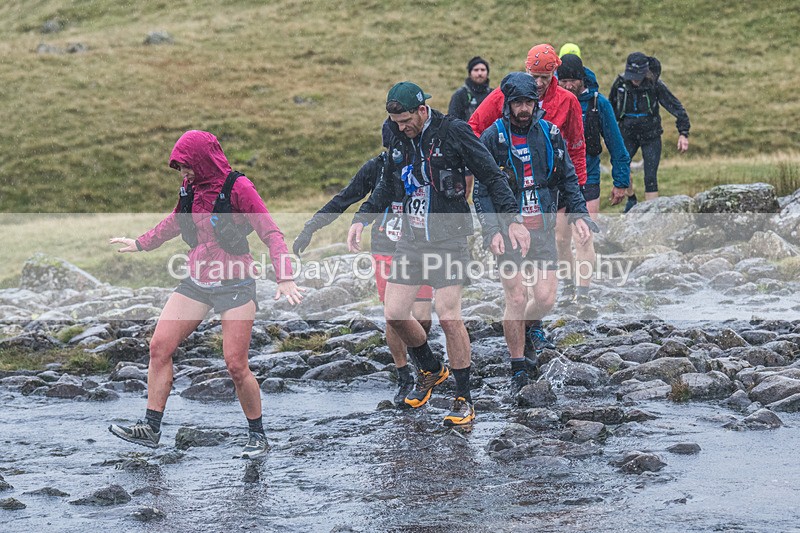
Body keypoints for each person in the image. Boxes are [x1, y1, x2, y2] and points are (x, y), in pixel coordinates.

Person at [108, 130, 303, 459]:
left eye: (187, 167)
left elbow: (270, 231)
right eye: (180, 168)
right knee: (159, 347)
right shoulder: (189, 187)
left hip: (236, 284)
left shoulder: (239, 187)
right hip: (198, 280)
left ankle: (258, 436)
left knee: (235, 365)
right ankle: (151, 428)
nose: (183, 174)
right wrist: (141, 243)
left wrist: (285, 276)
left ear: (202, 160)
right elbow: (175, 221)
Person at [348, 81, 529, 426]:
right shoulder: (398, 136)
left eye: (405, 121)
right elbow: (387, 183)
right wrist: (362, 218)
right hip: (411, 240)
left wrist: (512, 220)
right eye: (396, 124)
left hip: (450, 238)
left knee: (448, 315)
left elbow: (491, 175)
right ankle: (431, 369)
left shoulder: (453, 132)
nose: (401, 129)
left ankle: (463, 398)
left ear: (421, 109)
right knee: (395, 313)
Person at [474, 72, 595, 394]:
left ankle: (527, 328)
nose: (524, 109)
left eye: (529, 102)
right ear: (507, 105)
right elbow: (482, 193)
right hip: (506, 229)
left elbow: (568, 178)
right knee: (516, 296)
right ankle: (517, 365)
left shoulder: (550, 134)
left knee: (544, 298)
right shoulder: (492, 138)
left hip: (541, 227)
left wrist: (579, 215)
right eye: (518, 103)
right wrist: (490, 232)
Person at [292, 153, 434, 407]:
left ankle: (423, 367)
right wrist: (311, 226)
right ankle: (404, 375)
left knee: (422, 317)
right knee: (395, 315)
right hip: (386, 248)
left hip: (422, 246)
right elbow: (345, 198)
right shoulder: (378, 166)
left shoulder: (430, 161)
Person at [469, 43, 587, 342]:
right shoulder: (502, 96)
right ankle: (519, 347)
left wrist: (578, 199)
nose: (537, 83)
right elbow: (473, 128)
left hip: (549, 186)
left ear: (553, 75)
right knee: (517, 295)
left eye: (543, 78)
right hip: (510, 195)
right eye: (533, 75)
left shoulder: (566, 102)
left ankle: (532, 322)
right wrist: (485, 165)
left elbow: (575, 144)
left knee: (556, 256)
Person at [557, 53, 631, 303]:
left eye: (572, 81)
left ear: (581, 80)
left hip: (587, 178)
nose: (567, 86)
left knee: (584, 237)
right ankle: (568, 284)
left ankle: (584, 294)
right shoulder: (550, 102)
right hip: (556, 180)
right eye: (563, 80)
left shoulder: (599, 104)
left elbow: (617, 146)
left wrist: (621, 182)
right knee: (560, 240)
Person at [609, 52, 691, 211]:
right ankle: (631, 198)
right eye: (632, 75)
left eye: (638, 76)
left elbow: (676, 107)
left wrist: (683, 133)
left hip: (651, 135)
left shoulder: (655, 85)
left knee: (650, 177)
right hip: (627, 133)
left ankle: (650, 215)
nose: (635, 80)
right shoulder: (620, 84)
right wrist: (607, 135)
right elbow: (609, 110)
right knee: (621, 168)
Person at [449, 56, 493, 201]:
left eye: (483, 70)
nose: (480, 73)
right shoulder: (460, 95)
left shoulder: (493, 95)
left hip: (489, 146)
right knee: (464, 189)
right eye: (476, 70)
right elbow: (452, 120)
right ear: (469, 72)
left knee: (491, 186)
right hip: (466, 147)